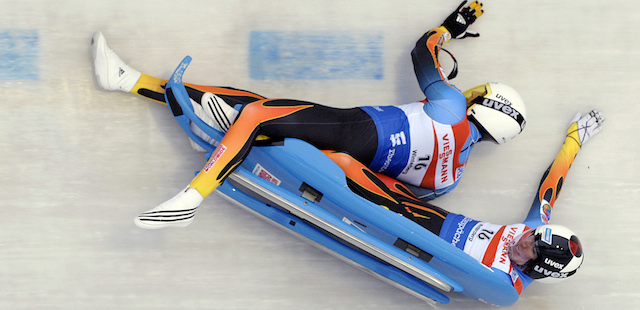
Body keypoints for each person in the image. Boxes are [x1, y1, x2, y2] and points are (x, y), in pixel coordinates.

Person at [92, 1, 530, 229]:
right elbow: (396, 196)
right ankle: (130, 80)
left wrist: (451, 26)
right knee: (250, 102)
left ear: (484, 104)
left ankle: (193, 195)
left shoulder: (453, 106)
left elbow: (423, 50)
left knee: (259, 111)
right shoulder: (451, 178)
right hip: (344, 167)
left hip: (350, 127)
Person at [325, 108, 603, 293]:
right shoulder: (529, 231)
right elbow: (551, 185)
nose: (524, 241)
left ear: (537, 268)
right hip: (427, 214)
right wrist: (574, 142)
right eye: (533, 236)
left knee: (347, 167)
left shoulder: (506, 284)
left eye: (531, 249)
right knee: (367, 168)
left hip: (413, 236)